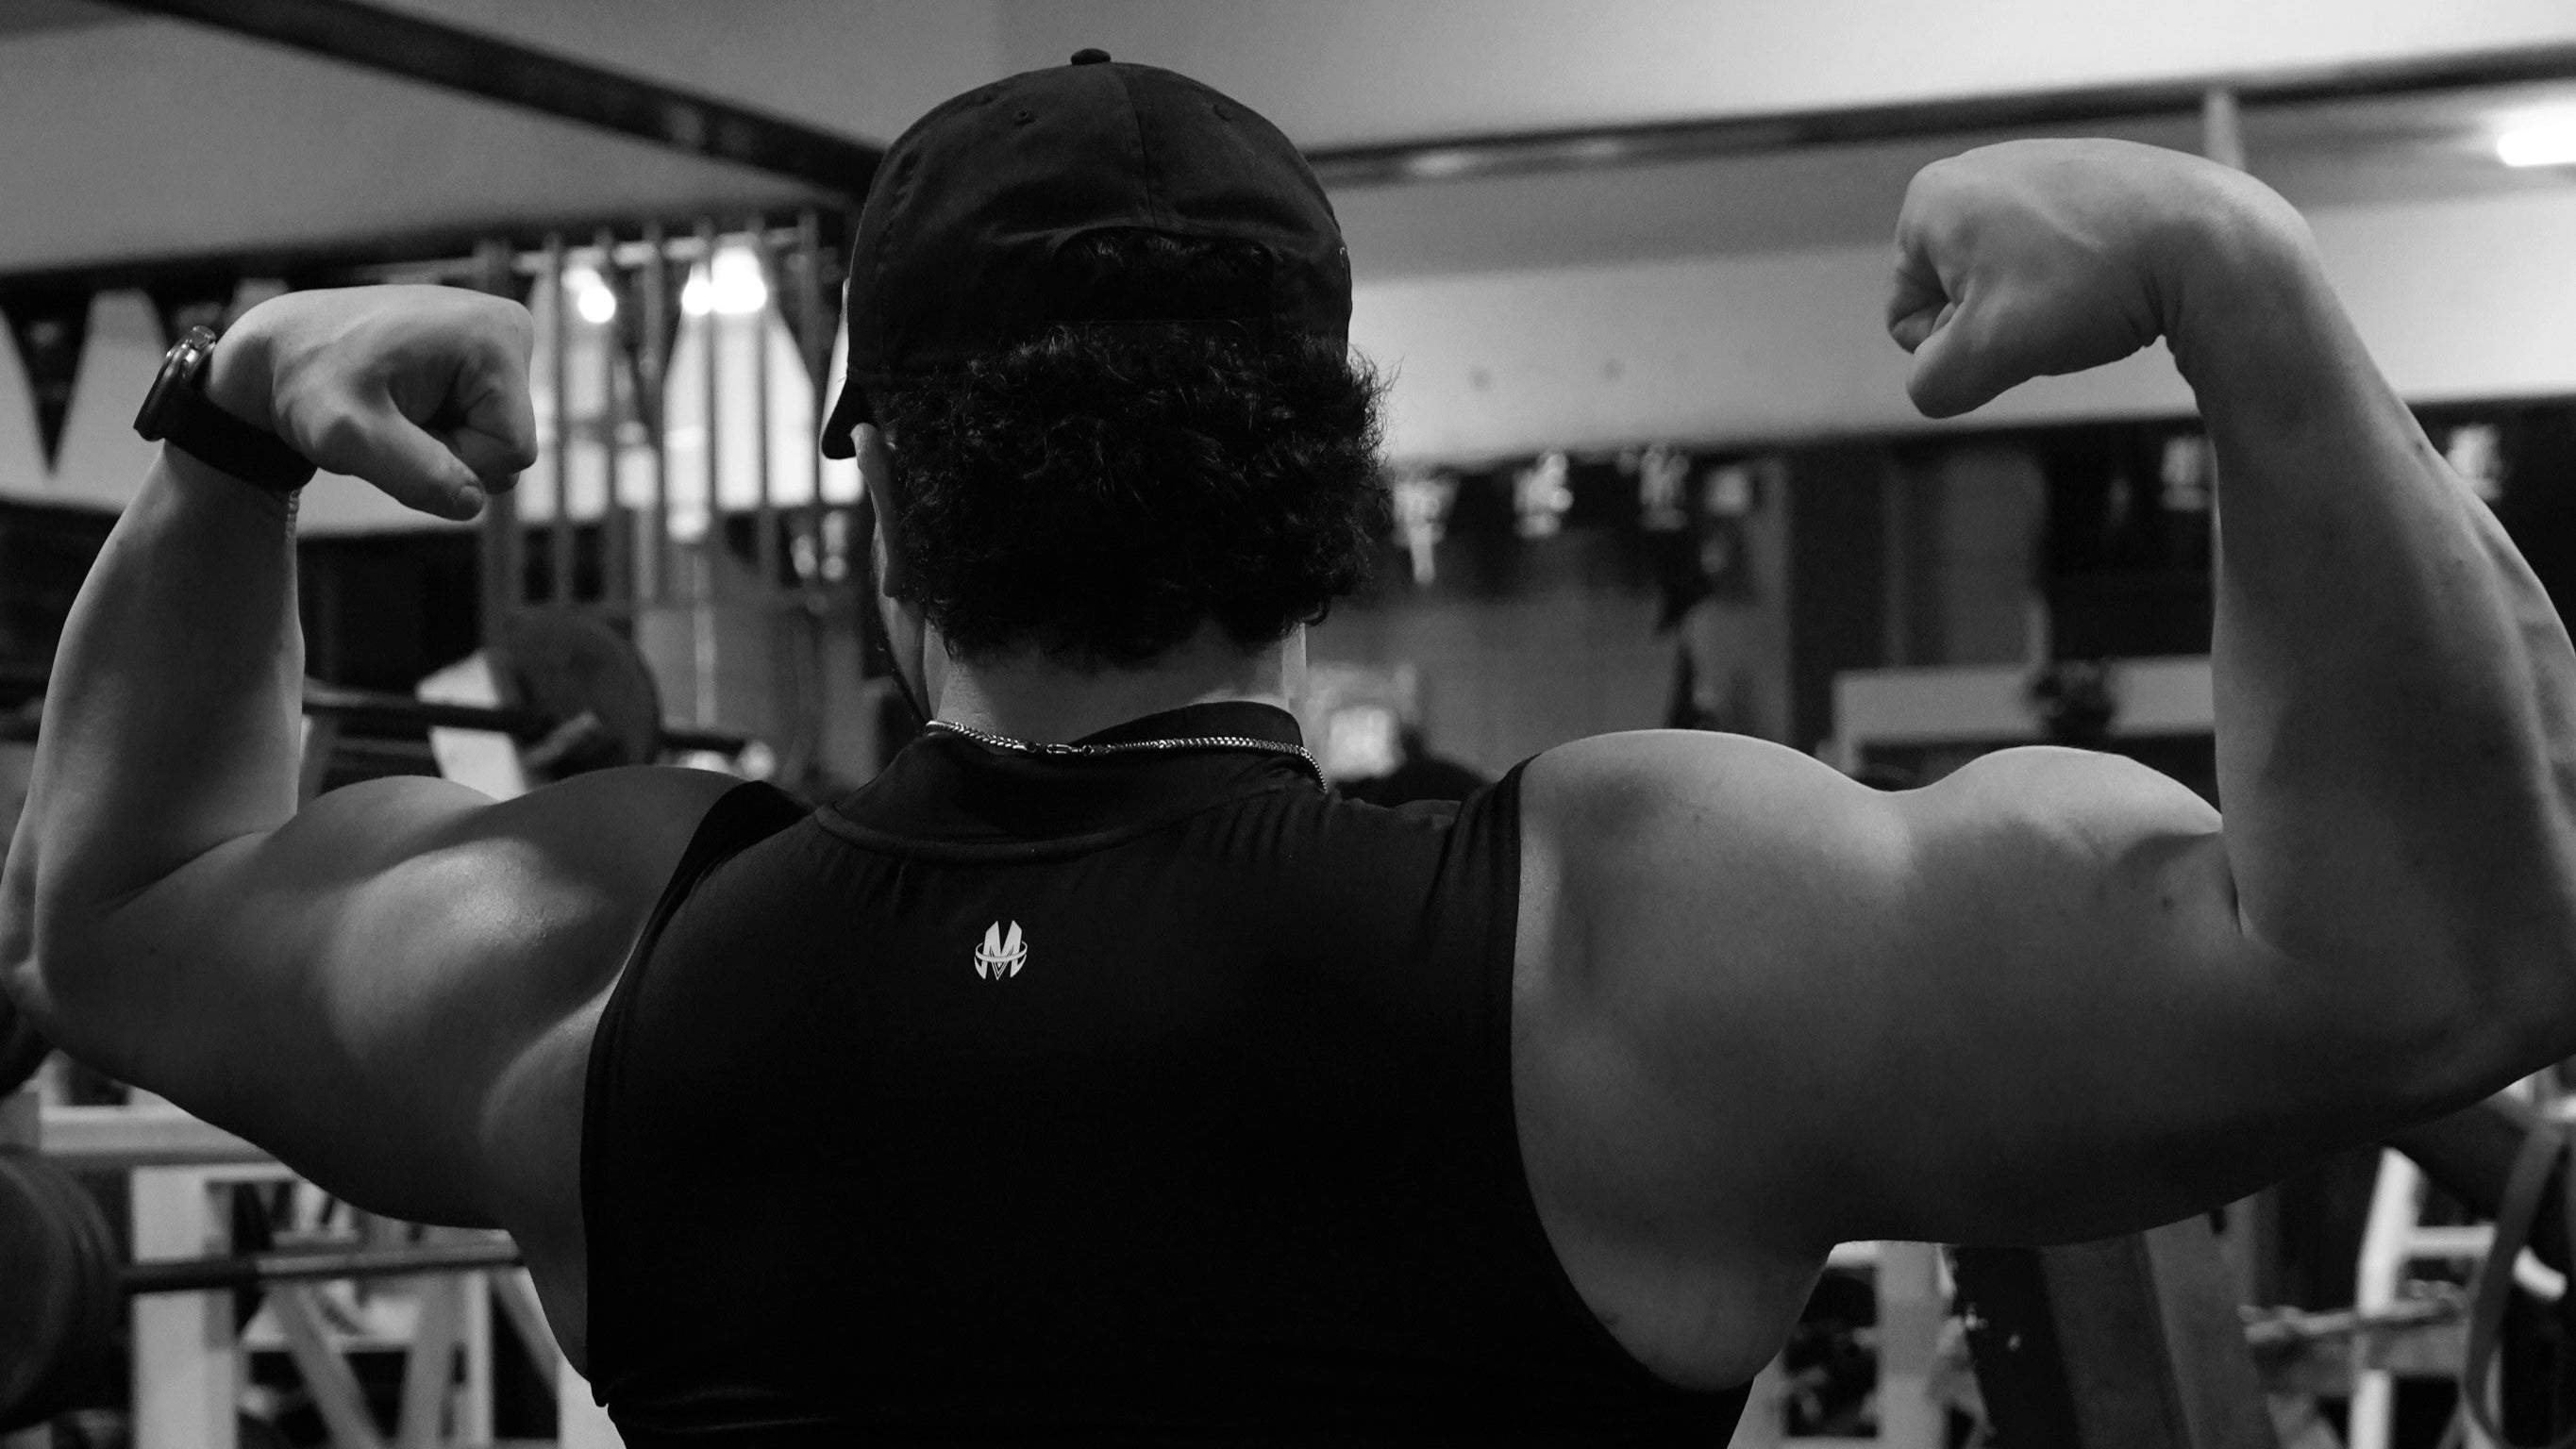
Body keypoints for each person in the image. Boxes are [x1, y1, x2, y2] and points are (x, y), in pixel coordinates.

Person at [7, 51, 2576, 1445]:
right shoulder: (1629, 936)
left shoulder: (610, 946)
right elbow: (2426, 972)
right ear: (1323, 462)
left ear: (878, 480)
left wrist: (233, 420)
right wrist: (2240, 291)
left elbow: (109, 919)